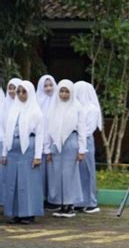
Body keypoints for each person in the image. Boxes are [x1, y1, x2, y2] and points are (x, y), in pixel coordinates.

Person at [2, 80, 44, 224]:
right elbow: (7, 132)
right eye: (18, 91)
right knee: (13, 181)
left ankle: (28, 214)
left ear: (30, 92)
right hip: (13, 149)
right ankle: (15, 213)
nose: (20, 94)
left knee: (27, 181)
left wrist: (38, 156)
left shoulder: (35, 111)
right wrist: (4, 153)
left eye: (23, 91)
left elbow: (40, 135)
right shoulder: (13, 109)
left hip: (28, 149)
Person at [44, 79, 86, 218]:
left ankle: (70, 205)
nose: (63, 94)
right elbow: (48, 129)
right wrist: (47, 149)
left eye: (66, 91)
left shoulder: (77, 106)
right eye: (61, 91)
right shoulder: (53, 106)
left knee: (69, 175)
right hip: (56, 144)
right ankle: (61, 204)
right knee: (58, 175)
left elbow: (82, 129)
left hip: (71, 142)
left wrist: (81, 150)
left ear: (71, 92)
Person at [74, 81, 102, 213]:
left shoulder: (91, 109)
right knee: (78, 172)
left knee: (87, 171)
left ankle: (90, 201)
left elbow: (88, 129)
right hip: (77, 140)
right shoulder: (75, 107)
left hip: (86, 141)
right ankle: (79, 201)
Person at [36, 75, 58, 210]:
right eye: (45, 86)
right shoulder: (37, 102)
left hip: (54, 143)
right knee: (40, 174)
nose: (49, 88)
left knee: (53, 173)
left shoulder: (59, 101)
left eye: (51, 85)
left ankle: (53, 199)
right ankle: (41, 198)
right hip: (40, 143)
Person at [1, 78, 22, 206]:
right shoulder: (4, 105)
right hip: (4, 142)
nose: (12, 91)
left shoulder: (24, 106)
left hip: (17, 144)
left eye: (15, 88)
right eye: (10, 88)